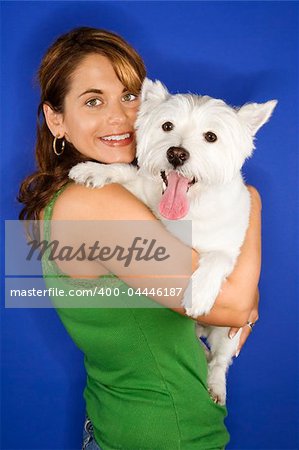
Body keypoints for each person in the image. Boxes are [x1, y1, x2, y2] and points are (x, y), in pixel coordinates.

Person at [18, 27, 260, 450]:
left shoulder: (95, 195)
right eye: (93, 101)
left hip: (124, 425)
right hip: (158, 436)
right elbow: (236, 306)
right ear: (56, 119)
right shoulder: (94, 204)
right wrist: (252, 200)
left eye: (130, 97)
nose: (121, 117)